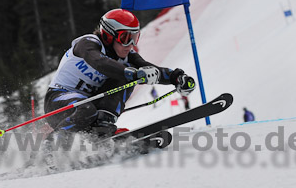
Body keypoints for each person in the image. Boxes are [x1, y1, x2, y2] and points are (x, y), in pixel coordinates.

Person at [43, 8, 195, 137]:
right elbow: (98, 62)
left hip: (90, 103)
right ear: (109, 36)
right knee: (87, 108)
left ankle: (102, 127)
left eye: (135, 37)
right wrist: (132, 73)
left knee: (127, 77)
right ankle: (53, 146)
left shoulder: (126, 56)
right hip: (58, 100)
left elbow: (149, 69)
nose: (131, 45)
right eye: (126, 38)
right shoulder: (88, 43)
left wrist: (177, 77)